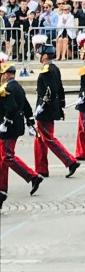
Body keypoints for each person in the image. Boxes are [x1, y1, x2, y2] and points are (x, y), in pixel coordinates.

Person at [0, 55, 44, 207]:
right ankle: (1, 188)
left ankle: (32, 176)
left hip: (9, 128)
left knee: (7, 157)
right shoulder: (18, 87)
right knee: (3, 159)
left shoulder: (6, 88)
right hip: (16, 126)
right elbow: (26, 106)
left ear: (6, 74)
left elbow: (11, 108)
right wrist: (30, 122)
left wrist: (5, 121)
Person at [32, 37, 79, 179]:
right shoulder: (54, 68)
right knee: (40, 139)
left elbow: (50, 90)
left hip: (46, 110)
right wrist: (61, 105)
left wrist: (41, 106)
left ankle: (69, 161)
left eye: (40, 54)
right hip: (50, 108)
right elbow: (60, 88)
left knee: (47, 138)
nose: (38, 56)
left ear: (45, 55)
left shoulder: (47, 69)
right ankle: (41, 169)